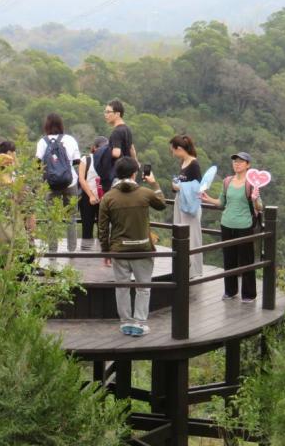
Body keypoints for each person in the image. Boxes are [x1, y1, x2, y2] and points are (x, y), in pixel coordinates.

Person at [98, 157, 166, 337]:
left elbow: (103, 228)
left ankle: (125, 322)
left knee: (122, 287)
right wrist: (154, 184)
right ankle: (140, 322)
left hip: (119, 250)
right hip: (143, 249)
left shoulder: (108, 197)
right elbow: (162, 204)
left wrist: (105, 251)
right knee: (143, 287)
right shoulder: (144, 193)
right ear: (134, 173)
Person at [201, 152, 263, 302]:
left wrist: (255, 199)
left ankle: (248, 294)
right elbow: (221, 203)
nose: (237, 164)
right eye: (235, 161)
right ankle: (230, 291)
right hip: (226, 224)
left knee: (246, 260)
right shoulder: (227, 181)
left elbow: (260, 207)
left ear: (248, 165)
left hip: (245, 225)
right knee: (229, 259)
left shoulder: (251, 184)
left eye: (241, 161)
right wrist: (207, 199)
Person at [35, 113, 81, 252]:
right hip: (70, 182)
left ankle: (52, 250)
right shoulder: (70, 139)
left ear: (46, 125)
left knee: (51, 218)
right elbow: (77, 161)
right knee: (71, 217)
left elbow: (37, 163)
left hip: (50, 184)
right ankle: (72, 250)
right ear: (61, 125)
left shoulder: (42, 141)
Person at [169, 134, 204, 279]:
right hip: (180, 202)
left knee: (192, 237)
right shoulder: (183, 162)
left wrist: (180, 187)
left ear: (179, 149)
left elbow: (199, 187)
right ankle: (183, 268)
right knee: (180, 235)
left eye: (172, 149)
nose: (172, 152)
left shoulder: (194, 164)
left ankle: (193, 271)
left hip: (190, 206)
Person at [99, 99, 138, 192]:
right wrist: (135, 166)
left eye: (108, 112)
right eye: (105, 112)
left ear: (117, 114)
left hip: (118, 175)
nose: (106, 115)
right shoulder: (126, 129)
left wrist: (101, 153)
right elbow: (132, 149)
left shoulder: (116, 132)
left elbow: (116, 153)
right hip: (128, 174)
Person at [77, 135, 109, 245]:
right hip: (87, 197)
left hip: (104, 197)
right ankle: (86, 256)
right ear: (94, 148)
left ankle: (102, 255)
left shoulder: (109, 161)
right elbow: (82, 179)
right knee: (87, 227)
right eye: (101, 147)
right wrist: (91, 195)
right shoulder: (86, 159)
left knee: (103, 228)